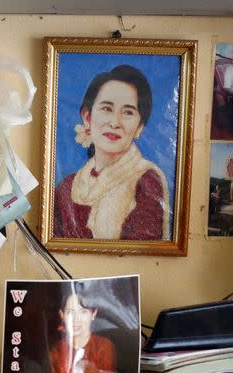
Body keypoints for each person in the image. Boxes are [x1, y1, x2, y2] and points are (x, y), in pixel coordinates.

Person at [54, 65, 170, 241]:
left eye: (128, 112)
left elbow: (142, 252)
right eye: (107, 108)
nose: (115, 122)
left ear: (139, 128)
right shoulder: (67, 187)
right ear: (87, 117)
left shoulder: (146, 180)